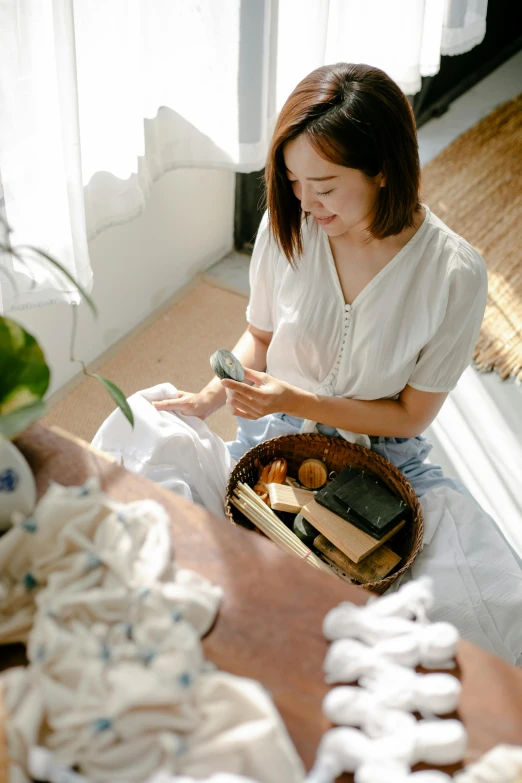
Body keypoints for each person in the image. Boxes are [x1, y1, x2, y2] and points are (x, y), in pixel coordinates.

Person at [94, 63, 522, 664]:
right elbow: (259, 338)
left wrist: (294, 398)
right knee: (140, 431)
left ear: (381, 168)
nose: (305, 201)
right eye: (294, 180)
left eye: (324, 185)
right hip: (271, 449)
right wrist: (207, 398)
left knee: (494, 609)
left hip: (382, 467)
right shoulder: (286, 224)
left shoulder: (453, 273)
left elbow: (408, 416)